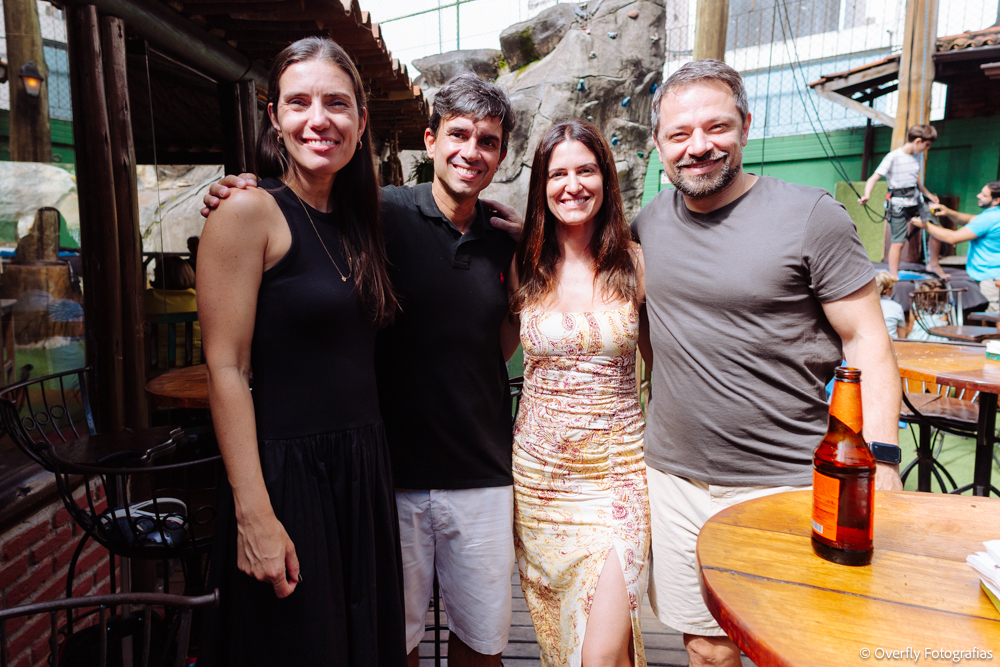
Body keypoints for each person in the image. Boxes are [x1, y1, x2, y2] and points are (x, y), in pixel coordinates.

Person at [202, 73, 522, 667]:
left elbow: (499, 342)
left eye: (488, 141)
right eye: (458, 134)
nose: (470, 152)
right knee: (384, 642)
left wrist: (536, 246)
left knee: (482, 645)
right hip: (387, 477)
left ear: (502, 154)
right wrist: (239, 190)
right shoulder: (378, 214)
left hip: (476, 470)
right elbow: (299, 209)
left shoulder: (507, 241)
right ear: (429, 140)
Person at [634, 60, 903, 667]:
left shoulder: (811, 217)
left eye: (715, 127)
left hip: (786, 482)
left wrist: (881, 459)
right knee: (707, 648)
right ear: (658, 145)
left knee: (797, 645)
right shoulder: (648, 226)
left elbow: (867, 341)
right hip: (677, 479)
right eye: (678, 134)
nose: (697, 147)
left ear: (746, 126)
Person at [196, 37, 405, 666]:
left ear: (362, 121)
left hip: (362, 473)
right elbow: (225, 368)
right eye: (300, 103)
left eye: (338, 104)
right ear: (274, 117)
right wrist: (253, 515)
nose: (320, 120)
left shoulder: (363, 219)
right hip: (287, 479)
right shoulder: (247, 211)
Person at [508, 119, 649, 666]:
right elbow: (478, 349)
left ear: (605, 178)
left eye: (585, 170)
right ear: (541, 185)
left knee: (599, 653)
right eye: (558, 173)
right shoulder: (524, 263)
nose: (573, 184)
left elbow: (667, 361)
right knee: (572, 646)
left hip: (617, 479)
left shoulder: (635, 262)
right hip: (540, 483)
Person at [858, 125, 942, 279]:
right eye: (927, 145)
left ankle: (934, 264)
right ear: (918, 141)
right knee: (898, 242)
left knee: (938, 229)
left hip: (915, 200)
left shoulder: (917, 156)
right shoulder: (893, 157)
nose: (927, 148)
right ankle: (893, 276)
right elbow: (874, 177)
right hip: (898, 204)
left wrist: (929, 195)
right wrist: (866, 195)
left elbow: (915, 182)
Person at [912, 181, 1000, 312]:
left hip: (990, 279)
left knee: (993, 320)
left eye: (984, 195)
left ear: (997, 199)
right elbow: (971, 219)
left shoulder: (989, 219)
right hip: (993, 274)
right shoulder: (993, 214)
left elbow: (952, 238)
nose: (978, 195)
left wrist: (926, 225)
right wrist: (948, 212)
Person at [145, 256, 200, 367]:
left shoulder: (146, 298)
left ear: (159, 275)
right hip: (195, 364)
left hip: (156, 367)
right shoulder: (199, 300)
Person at [875, 271, 905, 338]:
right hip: (893, 343)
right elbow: (901, 334)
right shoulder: (897, 307)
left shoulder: (868, 305)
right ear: (888, 290)